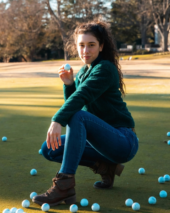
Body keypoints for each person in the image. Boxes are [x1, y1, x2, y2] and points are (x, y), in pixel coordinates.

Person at [33, 20, 138, 207]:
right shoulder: (83, 72)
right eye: (81, 45)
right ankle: (105, 167)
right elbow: (77, 106)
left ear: (101, 46)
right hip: (99, 143)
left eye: (91, 45)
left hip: (123, 141)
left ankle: (64, 185)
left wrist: (57, 119)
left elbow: (82, 98)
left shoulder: (105, 68)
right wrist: (69, 85)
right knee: (49, 149)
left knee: (77, 117)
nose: (85, 51)